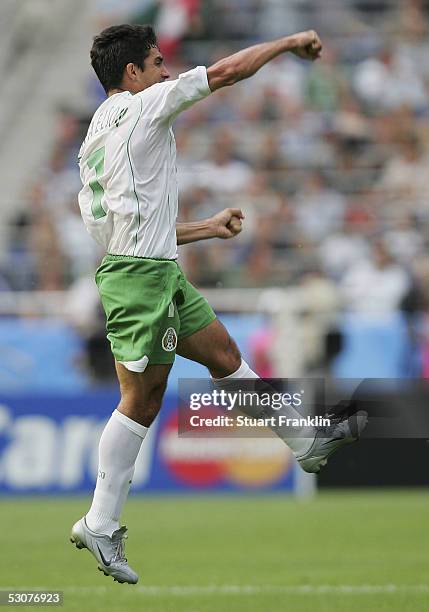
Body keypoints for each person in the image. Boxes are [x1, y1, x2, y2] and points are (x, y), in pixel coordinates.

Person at [71, 24, 366, 584]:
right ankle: (101, 522)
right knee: (142, 399)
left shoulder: (94, 137)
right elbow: (226, 72)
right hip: (140, 279)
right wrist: (286, 44)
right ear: (132, 74)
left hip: (148, 269)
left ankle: (304, 441)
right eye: (157, 63)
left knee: (225, 355)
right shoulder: (146, 104)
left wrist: (206, 228)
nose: (164, 71)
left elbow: (126, 228)